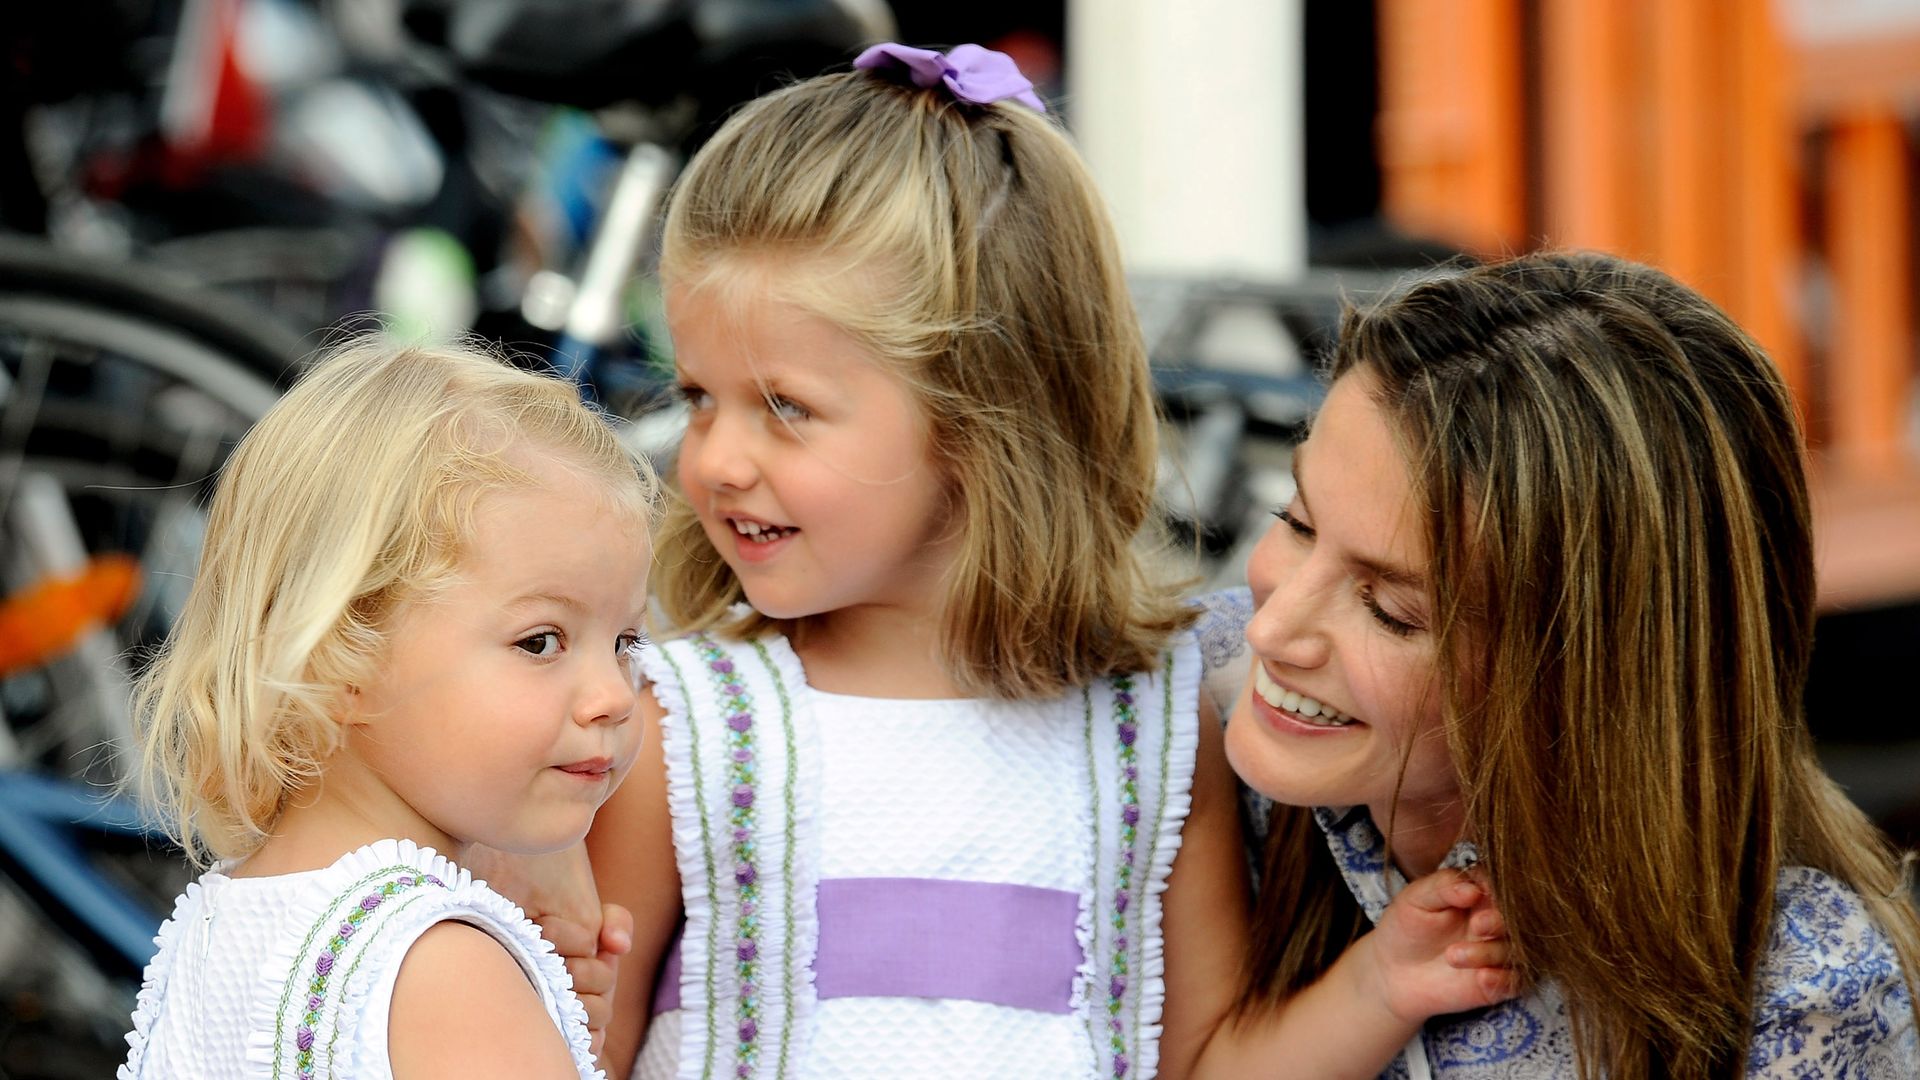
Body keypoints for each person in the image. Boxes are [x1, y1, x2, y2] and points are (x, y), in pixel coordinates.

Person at [564, 42, 1515, 1080]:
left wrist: (1382, 984)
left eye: (785, 409)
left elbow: (1206, 1064)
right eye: (699, 397)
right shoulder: (684, 727)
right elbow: (577, 1052)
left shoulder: (1149, 727)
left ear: (982, 413)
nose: (714, 459)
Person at [1217, 251, 1920, 1078]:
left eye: (1391, 611)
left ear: (1587, 682)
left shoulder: (1800, 993)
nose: (1273, 630)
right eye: (1295, 522)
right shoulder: (1161, 731)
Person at [118, 338, 657, 1080]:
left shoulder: (214, 929)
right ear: (341, 652)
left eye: (628, 639)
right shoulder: (449, 971)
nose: (615, 695)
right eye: (541, 641)